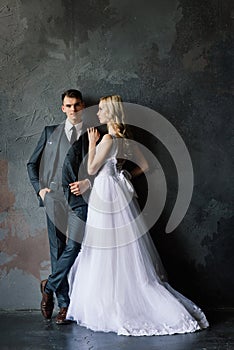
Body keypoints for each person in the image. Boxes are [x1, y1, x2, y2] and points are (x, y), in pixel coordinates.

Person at [66, 95, 209, 336]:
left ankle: (112, 302)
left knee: (105, 247)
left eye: (101, 110)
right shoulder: (125, 139)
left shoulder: (109, 138)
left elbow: (91, 169)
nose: (98, 113)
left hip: (105, 192)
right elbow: (144, 164)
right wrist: (126, 175)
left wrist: (92, 143)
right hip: (117, 192)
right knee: (121, 248)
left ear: (111, 113)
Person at [27, 89, 92, 324]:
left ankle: (49, 285)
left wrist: (88, 182)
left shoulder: (91, 133)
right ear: (62, 108)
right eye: (68, 105)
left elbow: (99, 167)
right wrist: (40, 190)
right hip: (53, 198)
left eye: (76, 105)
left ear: (82, 106)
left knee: (74, 246)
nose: (73, 109)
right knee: (56, 250)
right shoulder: (49, 132)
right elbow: (31, 164)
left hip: (78, 201)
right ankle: (64, 305)